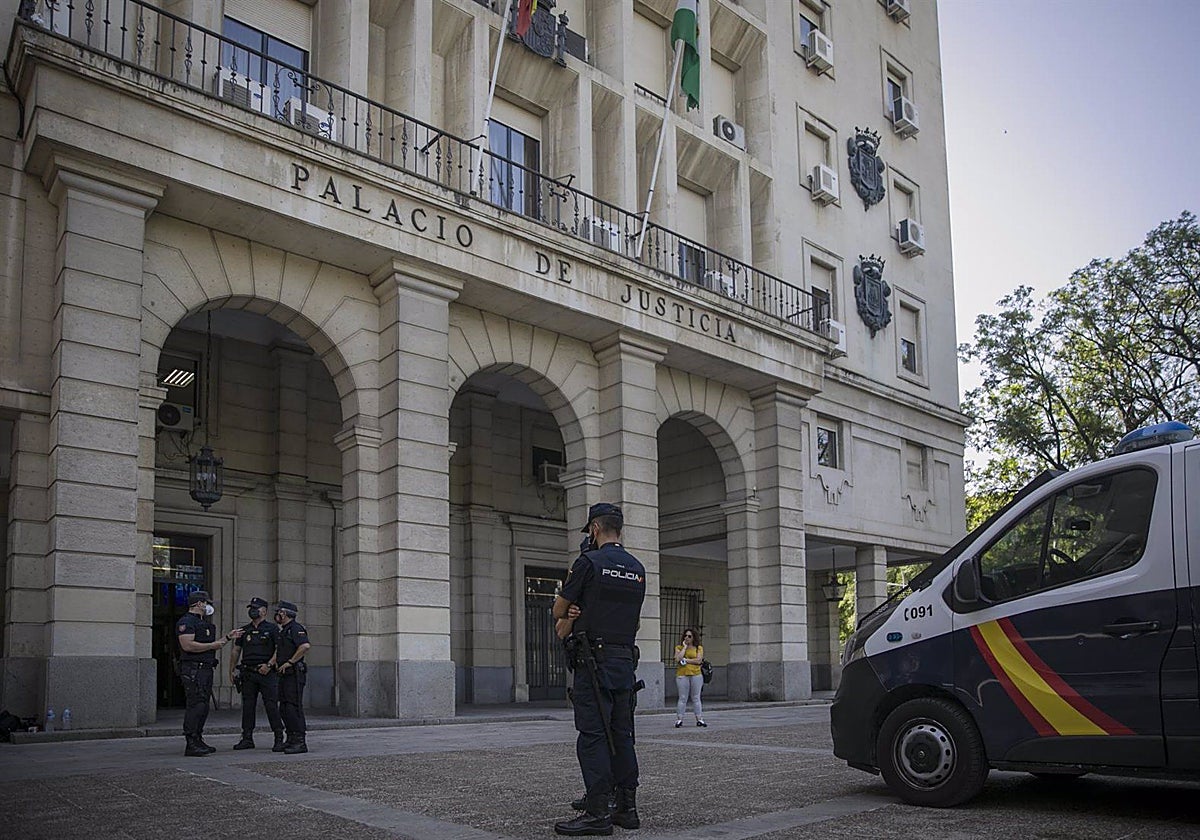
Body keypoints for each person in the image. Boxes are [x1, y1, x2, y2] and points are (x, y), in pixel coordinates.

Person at [551, 502, 647, 836]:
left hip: (594, 663)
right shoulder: (637, 568)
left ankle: (597, 812)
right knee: (622, 734)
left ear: (594, 529)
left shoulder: (588, 563)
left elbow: (559, 610)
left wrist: (570, 608)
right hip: (624, 661)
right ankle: (627, 808)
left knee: (592, 736)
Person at [175, 590, 243, 756]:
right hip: (193, 669)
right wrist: (212, 646)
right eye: (205, 603)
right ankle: (191, 742)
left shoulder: (201, 622)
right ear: (199, 604)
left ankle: (198, 739)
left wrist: (227, 637)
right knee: (195, 705)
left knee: (203, 706)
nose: (207, 606)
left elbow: (215, 644)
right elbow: (187, 645)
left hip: (204, 669)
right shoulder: (186, 622)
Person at [229, 596, 285, 752]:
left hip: (267, 673)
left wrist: (269, 665)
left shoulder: (272, 629)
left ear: (264, 611)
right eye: (251, 608)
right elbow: (236, 650)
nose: (253, 610)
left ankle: (279, 737)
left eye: (256, 608)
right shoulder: (244, 629)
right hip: (248, 673)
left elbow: (279, 649)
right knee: (248, 706)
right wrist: (232, 669)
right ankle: (247, 738)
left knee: (271, 705)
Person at [274, 600, 311, 754]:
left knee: (293, 707)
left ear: (285, 613)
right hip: (284, 674)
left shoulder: (296, 629)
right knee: (284, 707)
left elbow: (305, 646)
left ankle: (299, 741)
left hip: (294, 674)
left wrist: (290, 662)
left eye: (279, 612)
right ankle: (290, 738)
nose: (277, 614)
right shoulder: (284, 630)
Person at [673, 628, 707, 728]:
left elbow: (698, 660)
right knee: (682, 697)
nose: (686, 638)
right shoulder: (679, 647)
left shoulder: (698, 648)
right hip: (682, 674)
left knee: (696, 697)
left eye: (689, 636)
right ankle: (679, 719)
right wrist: (684, 648)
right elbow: (678, 659)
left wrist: (686, 660)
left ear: (693, 638)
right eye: (685, 636)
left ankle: (699, 719)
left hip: (696, 674)